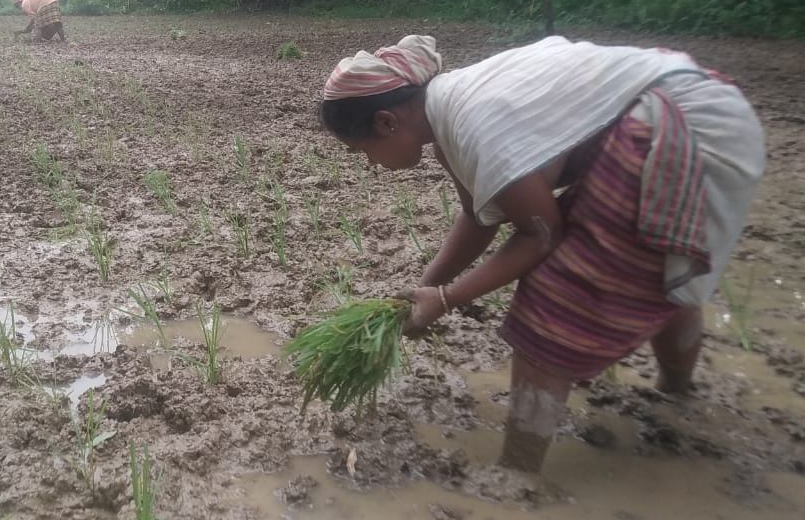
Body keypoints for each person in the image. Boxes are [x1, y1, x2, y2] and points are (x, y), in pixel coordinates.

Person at [317, 35, 765, 473]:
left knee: (556, 296)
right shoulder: (449, 109)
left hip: (685, 126)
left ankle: (516, 478)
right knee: (653, 269)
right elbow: (479, 217)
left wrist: (448, 299)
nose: (371, 164)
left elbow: (541, 236)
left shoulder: (474, 122)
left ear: (386, 123)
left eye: (362, 152)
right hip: (692, 102)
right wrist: (427, 288)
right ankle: (676, 402)